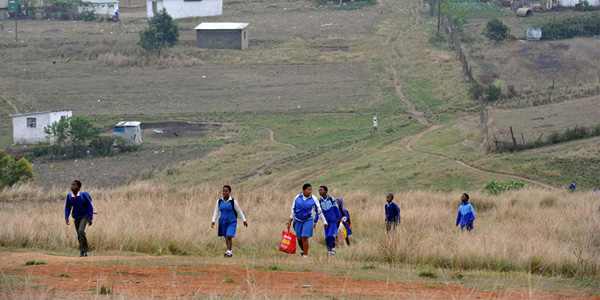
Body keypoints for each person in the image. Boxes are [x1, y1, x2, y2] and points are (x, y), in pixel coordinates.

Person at [286, 183, 327, 258]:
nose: (310, 191)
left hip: (308, 220)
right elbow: (293, 210)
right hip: (297, 220)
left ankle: (305, 255)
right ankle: (303, 251)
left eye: (311, 190)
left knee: (305, 237)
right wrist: (289, 221)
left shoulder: (314, 199)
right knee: (299, 238)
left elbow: (319, 211)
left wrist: (324, 222)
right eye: (308, 190)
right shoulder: (297, 197)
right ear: (304, 190)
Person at [212, 185, 248, 257]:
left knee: (229, 235)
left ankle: (228, 251)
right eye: (223, 191)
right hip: (223, 221)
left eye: (226, 191)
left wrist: (244, 220)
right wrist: (213, 221)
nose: (225, 193)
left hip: (231, 222)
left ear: (229, 192)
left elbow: (239, 211)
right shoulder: (219, 201)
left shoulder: (233, 201)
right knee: (226, 236)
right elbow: (216, 211)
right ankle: (229, 251)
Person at [65, 180, 94, 257]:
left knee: (81, 231)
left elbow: (90, 206)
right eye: (71, 185)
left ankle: (84, 250)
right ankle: (82, 250)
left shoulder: (83, 195)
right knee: (79, 234)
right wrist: (66, 217)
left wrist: (90, 218)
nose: (72, 187)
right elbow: (68, 207)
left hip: (84, 216)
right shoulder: (69, 196)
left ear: (79, 187)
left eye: (74, 185)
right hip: (76, 216)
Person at [314, 186, 342, 256]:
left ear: (326, 191)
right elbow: (318, 212)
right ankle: (330, 250)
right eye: (319, 190)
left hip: (333, 221)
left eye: (321, 190)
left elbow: (336, 209)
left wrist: (339, 217)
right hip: (325, 222)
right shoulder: (319, 202)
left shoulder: (332, 200)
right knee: (326, 237)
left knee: (330, 235)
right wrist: (315, 221)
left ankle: (333, 249)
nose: (320, 192)